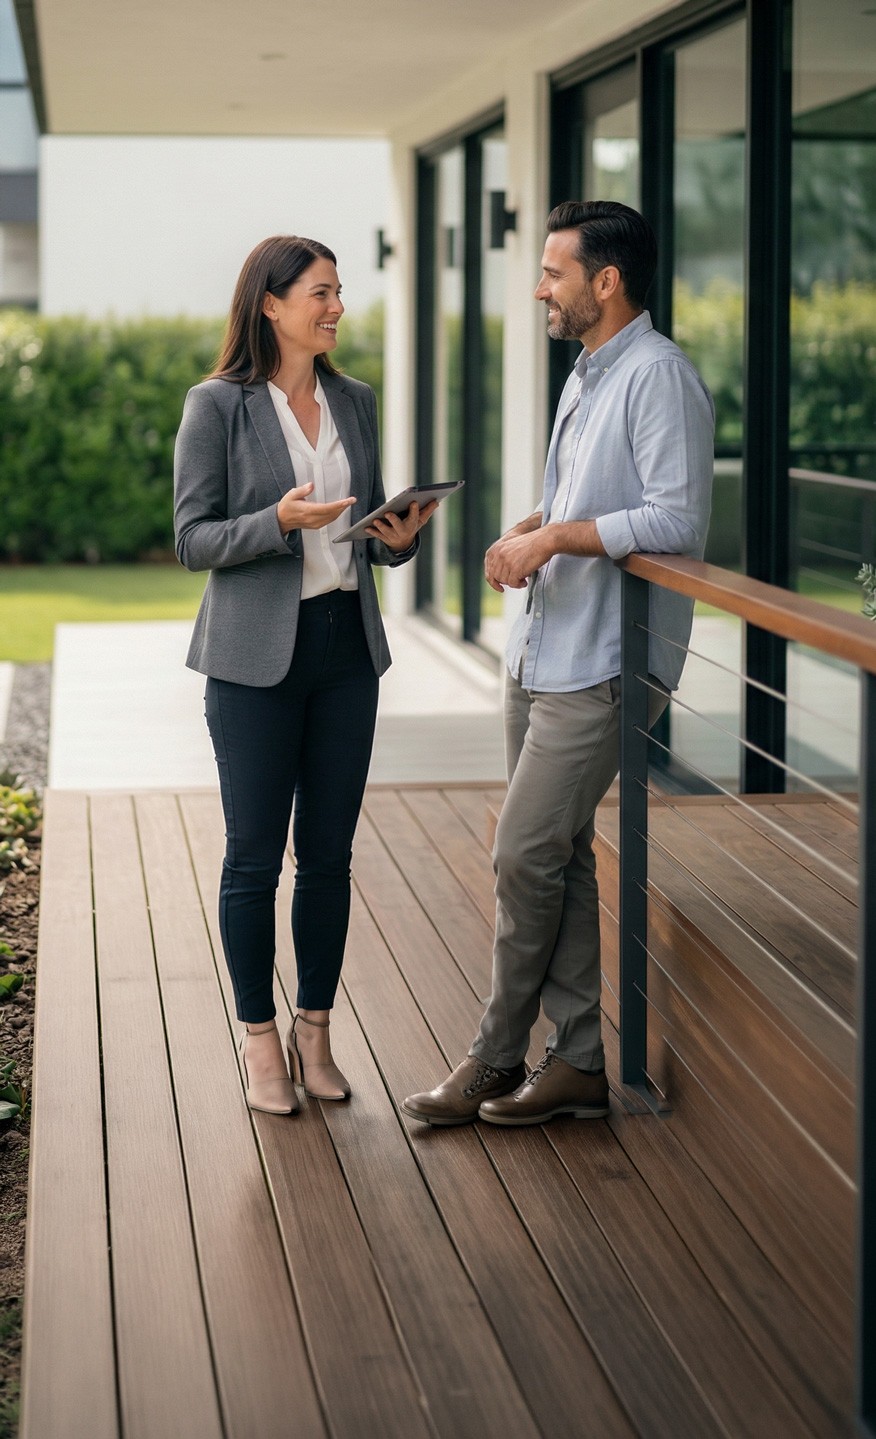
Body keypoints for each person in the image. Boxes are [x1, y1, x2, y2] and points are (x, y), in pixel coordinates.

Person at [403, 200, 714, 1127]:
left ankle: (495, 1054)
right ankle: (577, 1059)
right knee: (559, 853)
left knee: (523, 852)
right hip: (546, 648)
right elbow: (595, 499)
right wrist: (537, 526)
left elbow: (675, 517)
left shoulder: (658, 377)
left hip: (607, 663)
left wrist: (553, 541)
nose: (540, 287)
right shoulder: (587, 372)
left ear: (605, 282)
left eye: (554, 272)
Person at [174, 235, 436, 1116]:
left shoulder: (354, 400)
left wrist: (398, 539)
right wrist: (277, 522)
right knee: (253, 859)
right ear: (271, 304)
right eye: (320, 293)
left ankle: (313, 1034)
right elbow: (191, 538)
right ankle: (260, 1044)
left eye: (338, 292)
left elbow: (367, 528)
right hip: (252, 662)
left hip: (345, 651)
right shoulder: (216, 406)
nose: (336, 308)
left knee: (328, 855)